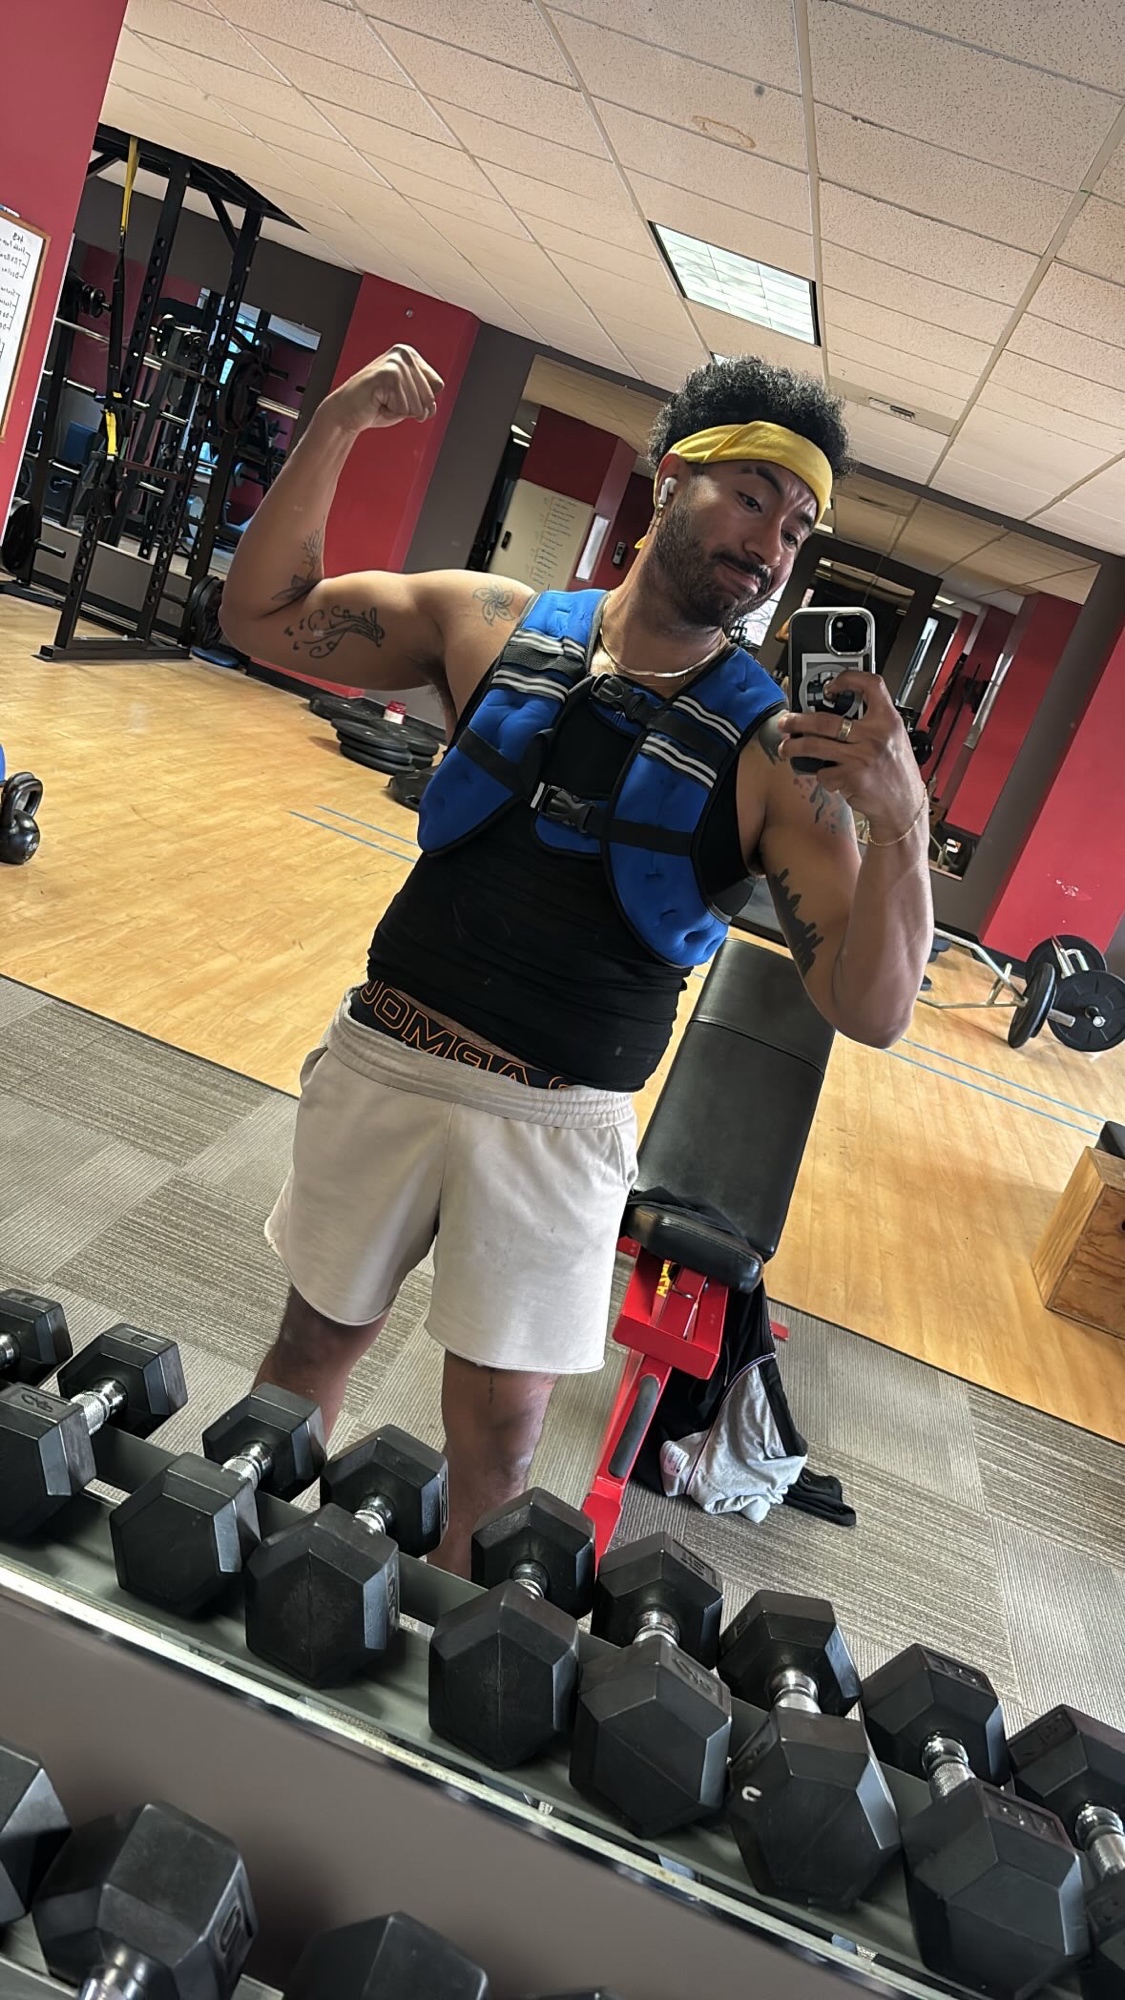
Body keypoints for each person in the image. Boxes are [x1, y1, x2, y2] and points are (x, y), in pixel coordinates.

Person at [221, 344, 933, 1576]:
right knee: (310, 1348)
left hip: (557, 1123)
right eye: (752, 496)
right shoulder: (488, 620)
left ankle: (438, 1671)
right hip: (388, 1058)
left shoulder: (777, 752)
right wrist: (334, 424)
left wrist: (903, 825)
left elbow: (871, 1009)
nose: (771, 544)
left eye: (797, 526)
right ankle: (235, 1579)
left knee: (502, 1438)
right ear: (671, 478)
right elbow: (263, 616)